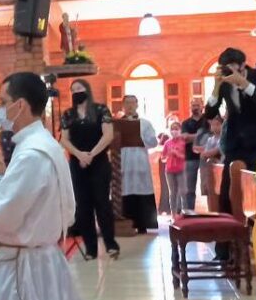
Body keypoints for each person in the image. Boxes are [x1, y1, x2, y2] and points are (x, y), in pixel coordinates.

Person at [0, 72, 186, 300]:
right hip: (39, 257)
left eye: (3, 103)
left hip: (26, 263)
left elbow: (3, 213)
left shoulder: (32, 153)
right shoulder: (44, 144)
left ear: (21, 105)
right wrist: (3, 177)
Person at [204, 47, 256, 260]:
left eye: (232, 68)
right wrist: (217, 87)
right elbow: (209, 113)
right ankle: (224, 250)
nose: (228, 73)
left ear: (243, 65)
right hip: (236, 146)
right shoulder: (223, 83)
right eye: (224, 69)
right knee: (227, 194)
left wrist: (243, 84)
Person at [60, 79, 117, 260]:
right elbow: (64, 139)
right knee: (83, 206)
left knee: (102, 203)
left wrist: (91, 154)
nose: (76, 92)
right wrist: (79, 155)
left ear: (88, 90)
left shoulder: (100, 110)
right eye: (73, 89)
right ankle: (91, 247)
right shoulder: (68, 114)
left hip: (99, 162)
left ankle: (110, 243)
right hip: (77, 164)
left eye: (80, 88)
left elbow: (108, 135)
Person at [119, 95, 159, 234]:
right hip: (124, 161)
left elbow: (154, 142)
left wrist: (140, 138)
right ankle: (127, 224)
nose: (130, 106)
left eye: (132, 103)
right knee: (126, 190)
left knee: (142, 190)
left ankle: (143, 224)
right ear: (123, 106)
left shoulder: (145, 123)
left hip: (140, 160)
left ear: (137, 105)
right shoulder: (117, 124)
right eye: (127, 103)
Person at [179, 99, 207, 212]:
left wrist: (192, 136)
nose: (195, 107)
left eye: (197, 105)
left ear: (202, 107)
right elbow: (184, 138)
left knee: (208, 187)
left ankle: (212, 212)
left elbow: (211, 135)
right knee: (189, 188)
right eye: (193, 105)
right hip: (190, 158)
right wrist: (201, 135)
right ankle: (189, 213)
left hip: (206, 157)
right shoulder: (186, 123)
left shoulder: (207, 121)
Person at [196, 116, 224, 213]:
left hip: (220, 166)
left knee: (219, 193)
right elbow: (205, 154)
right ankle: (211, 211)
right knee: (209, 191)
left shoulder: (223, 138)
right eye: (213, 125)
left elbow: (216, 151)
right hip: (209, 169)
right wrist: (205, 154)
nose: (215, 127)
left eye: (218, 125)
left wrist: (206, 154)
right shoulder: (210, 140)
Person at [163, 121, 187, 215]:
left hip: (181, 169)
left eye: (176, 129)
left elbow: (186, 156)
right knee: (173, 193)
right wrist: (167, 156)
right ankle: (173, 214)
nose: (174, 131)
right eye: (172, 129)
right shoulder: (167, 143)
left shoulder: (183, 142)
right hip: (169, 170)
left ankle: (185, 213)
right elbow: (163, 157)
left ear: (180, 130)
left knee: (183, 192)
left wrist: (177, 154)